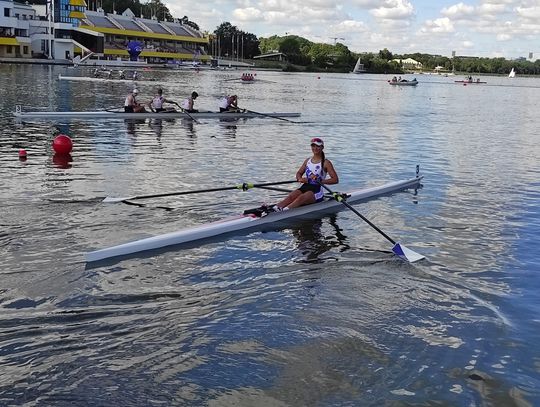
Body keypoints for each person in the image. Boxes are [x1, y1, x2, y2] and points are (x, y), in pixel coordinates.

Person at [272, 137, 338, 211]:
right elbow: (299, 173)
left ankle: (284, 211)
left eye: (318, 146)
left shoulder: (326, 163)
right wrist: (300, 179)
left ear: (322, 147)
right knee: (291, 196)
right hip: (305, 186)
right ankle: (275, 208)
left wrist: (321, 181)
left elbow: (335, 180)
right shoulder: (307, 161)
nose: (315, 148)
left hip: (317, 190)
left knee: (301, 198)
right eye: (313, 146)